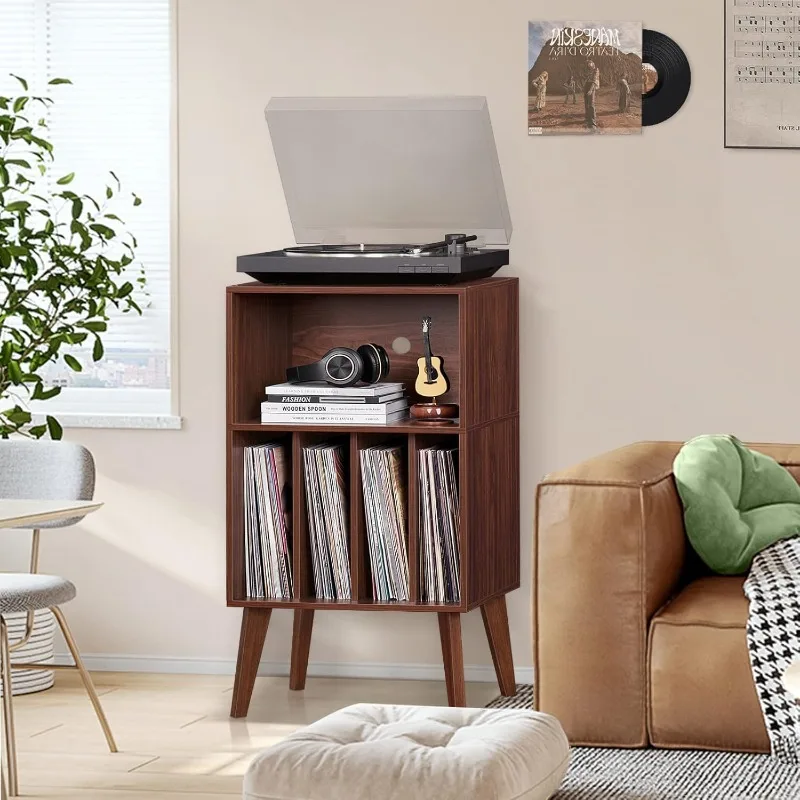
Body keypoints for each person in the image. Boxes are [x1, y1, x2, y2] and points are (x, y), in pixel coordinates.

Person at [584, 60, 600, 130]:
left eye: (590, 63)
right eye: (587, 63)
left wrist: (590, 90)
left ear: (593, 63)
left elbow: (594, 81)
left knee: (591, 104)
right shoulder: (587, 70)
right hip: (586, 85)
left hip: (591, 86)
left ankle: (593, 123)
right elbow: (586, 79)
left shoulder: (595, 70)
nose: (588, 64)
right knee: (586, 103)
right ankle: (588, 119)